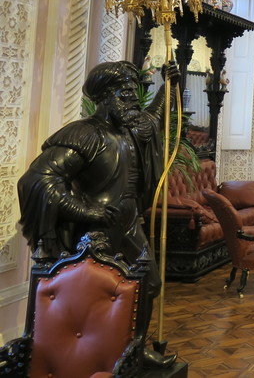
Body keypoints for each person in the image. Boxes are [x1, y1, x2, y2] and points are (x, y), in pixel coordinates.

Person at [18, 60, 179, 367]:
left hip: (130, 223)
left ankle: (134, 351)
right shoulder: (85, 134)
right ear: (104, 97)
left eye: (135, 92)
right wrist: (86, 210)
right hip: (95, 231)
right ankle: (90, 355)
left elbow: (154, 121)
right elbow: (38, 180)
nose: (133, 99)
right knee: (93, 293)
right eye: (125, 93)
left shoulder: (132, 130)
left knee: (150, 285)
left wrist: (167, 88)